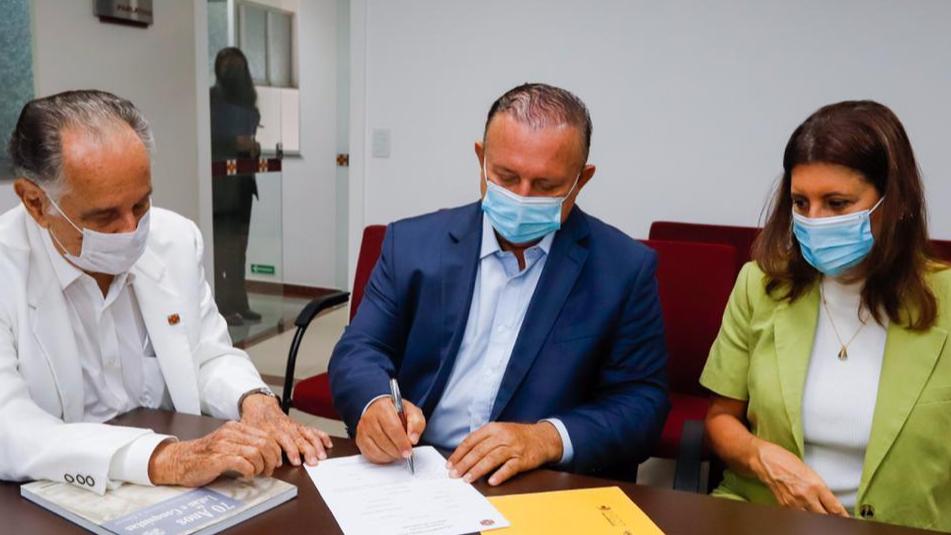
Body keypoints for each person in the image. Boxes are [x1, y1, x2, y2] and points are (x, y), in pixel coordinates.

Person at [329, 83, 669, 485]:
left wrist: (547, 438)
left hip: (536, 480)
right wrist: (375, 403)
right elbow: (360, 349)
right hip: (418, 468)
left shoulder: (623, 270)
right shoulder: (412, 245)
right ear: (481, 159)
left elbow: (642, 404)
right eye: (506, 177)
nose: (522, 198)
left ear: (582, 180)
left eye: (546, 186)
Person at [0, 90, 332, 495]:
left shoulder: (174, 240)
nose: (131, 230)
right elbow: (10, 428)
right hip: (53, 493)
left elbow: (208, 355)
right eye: (104, 216)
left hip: (175, 488)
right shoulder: (7, 269)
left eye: (141, 205)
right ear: (35, 202)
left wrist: (253, 400)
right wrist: (162, 459)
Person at [700, 100, 951, 531]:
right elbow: (721, 419)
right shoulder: (760, 285)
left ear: (894, 203)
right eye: (801, 202)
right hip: (766, 518)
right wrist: (763, 458)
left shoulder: (944, 299)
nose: (814, 221)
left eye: (836, 203)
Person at [210, 47, 261, 327]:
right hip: (220, 187)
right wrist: (234, 143)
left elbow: (248, 136)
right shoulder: (210, 100)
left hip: (243, 186)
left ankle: (240, 303)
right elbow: (207, 138)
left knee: (240, 249)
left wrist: (253, 146)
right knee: (222, 250)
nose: (233, 72)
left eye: (238, 67)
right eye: (228, 66)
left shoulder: (248, 102)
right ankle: (221, 306)